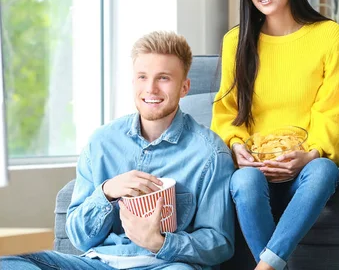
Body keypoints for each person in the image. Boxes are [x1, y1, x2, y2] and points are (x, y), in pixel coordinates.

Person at [1, 31, 235, 269]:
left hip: (165, 264)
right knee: (9, 263)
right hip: (98, 263)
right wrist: (106, 192)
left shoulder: (210, 154)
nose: (151, 88)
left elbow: (219, 243)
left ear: (184, 87)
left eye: (163, 78)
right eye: (142, 77)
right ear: (133, 82)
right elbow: (79, 238)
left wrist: (160, 243)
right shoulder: (101, 143)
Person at [211, 0, 339, 270]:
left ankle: (266, 266)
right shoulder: (235, 41)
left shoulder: (328, 35)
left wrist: (311, 154)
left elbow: (333, 109)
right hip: (254, 172)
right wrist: (236, 148)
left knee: (324, 171)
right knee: (243, 183)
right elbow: (227, 111)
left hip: (304, 170)